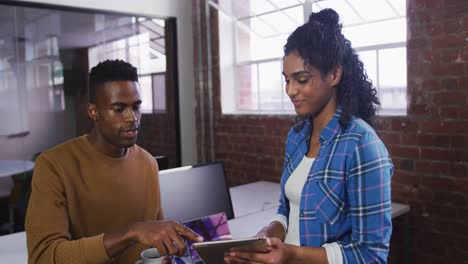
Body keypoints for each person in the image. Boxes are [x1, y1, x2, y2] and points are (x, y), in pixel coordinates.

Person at [225, 8, 393, 264]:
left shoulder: (361, 145)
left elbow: (372, 254)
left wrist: (291, 255)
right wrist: (266, 236)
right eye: (287, 80)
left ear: (334, 74)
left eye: (301, 79)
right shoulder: (296, 136)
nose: (291, 91)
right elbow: (287, 210)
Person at [25, 59, 203, 264]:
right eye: (119, 109)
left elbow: (154, 242)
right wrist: (131, 232)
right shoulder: (53, 165)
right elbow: (43, 258)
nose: (132, 118)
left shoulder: (147, 163)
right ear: (94, 112)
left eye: (136, 106)